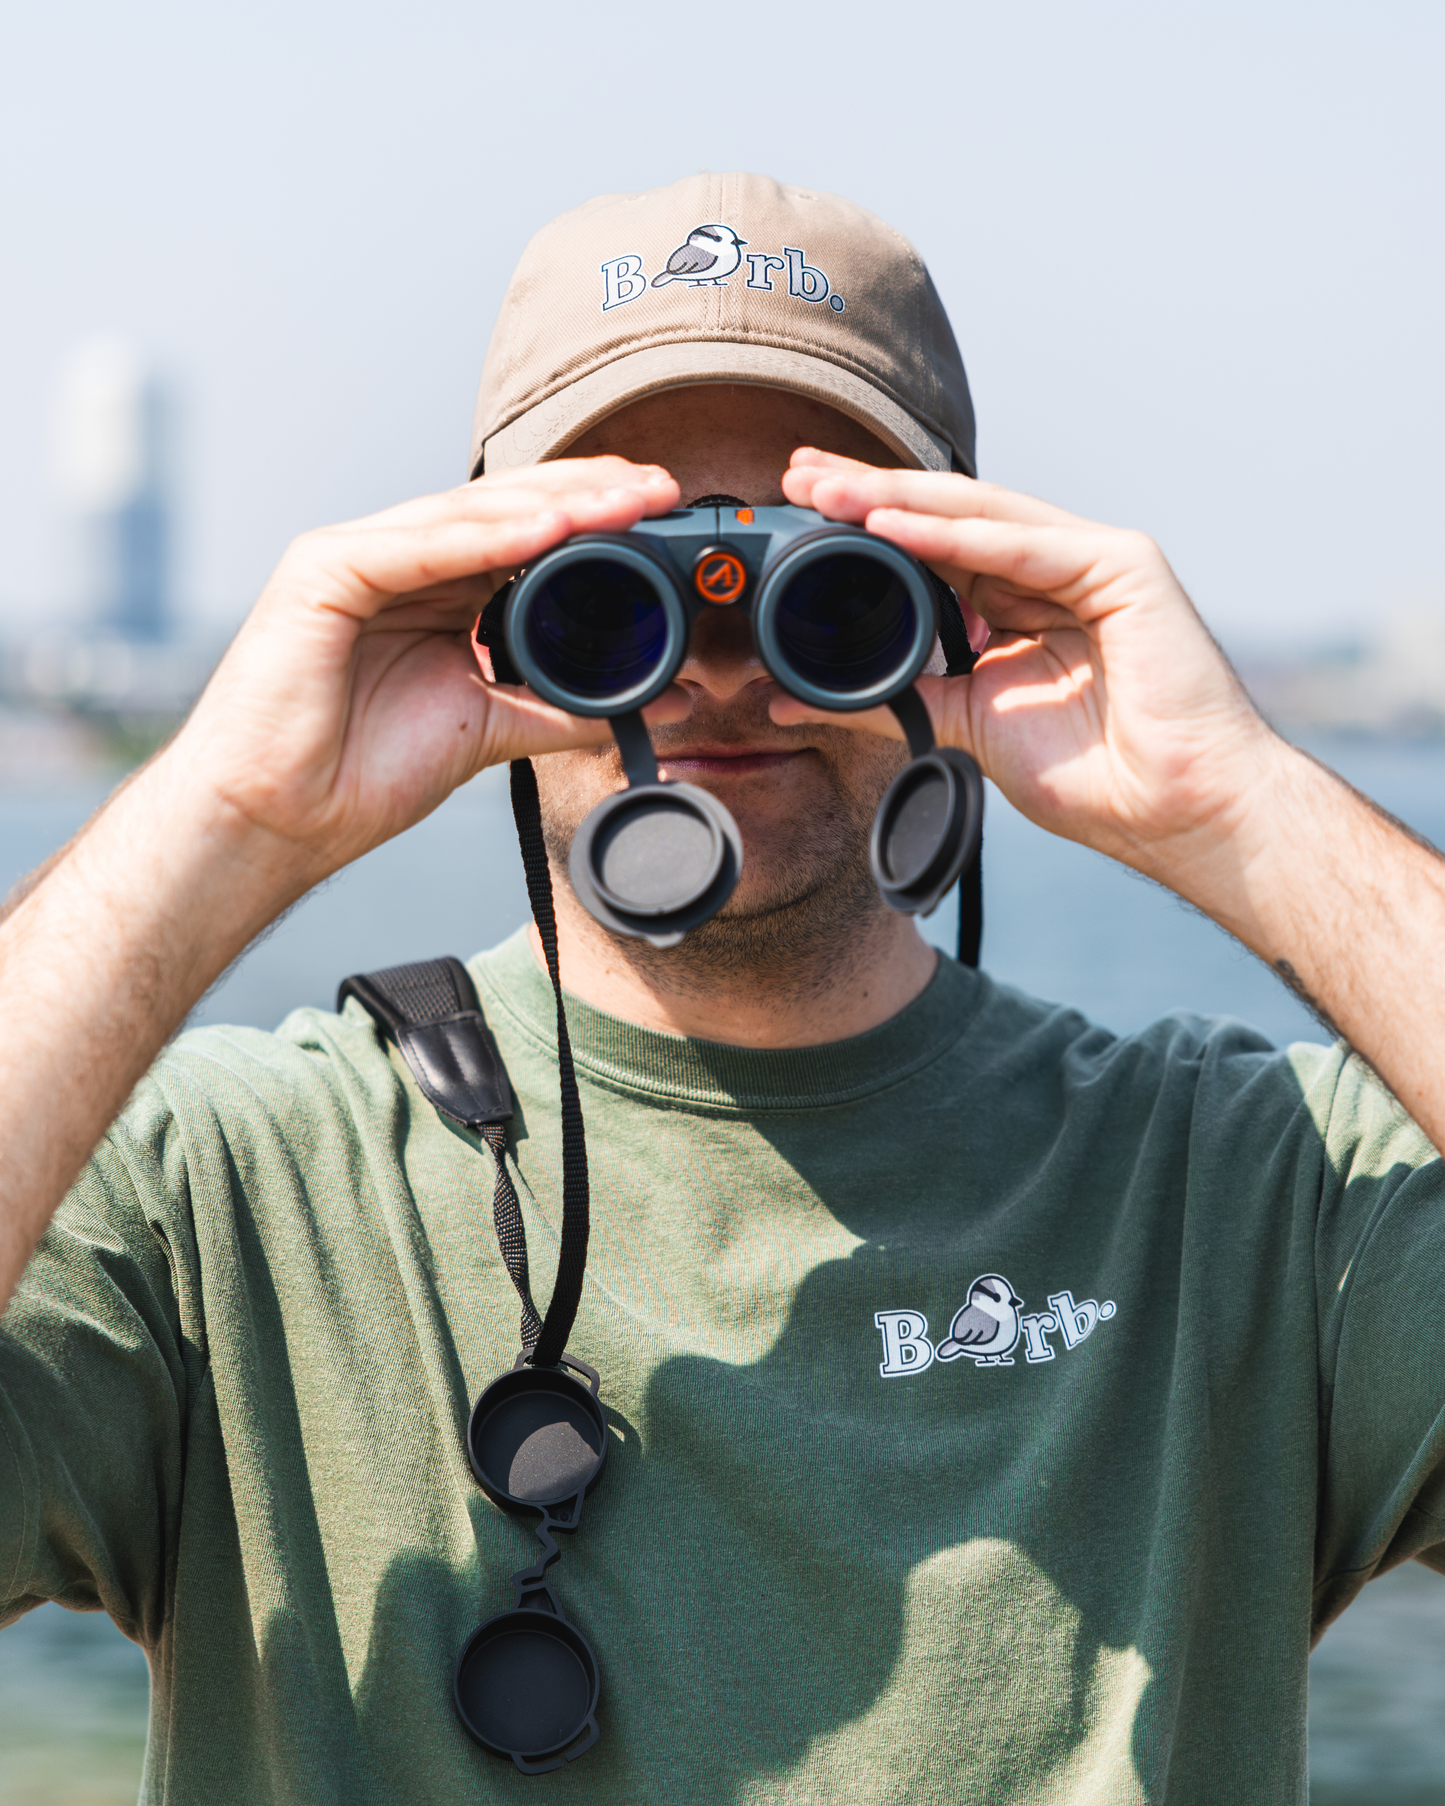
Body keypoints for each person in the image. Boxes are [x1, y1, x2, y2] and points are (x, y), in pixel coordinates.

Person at [2, 171, 1444, 1805]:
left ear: (959, 610)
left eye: (829, 589)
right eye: (607, 588)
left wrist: (1241, 805)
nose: (716, 662)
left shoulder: (1253, 1194)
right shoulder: (229, 1199)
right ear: (488, 615)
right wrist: (226, 821)